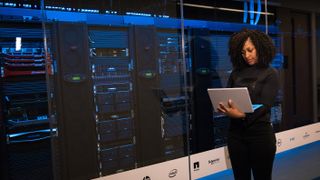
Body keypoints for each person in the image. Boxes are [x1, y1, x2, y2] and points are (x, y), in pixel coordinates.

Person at [217, 28, 280, 180]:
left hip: (261, 136)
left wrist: (242, 114)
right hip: (236, 136)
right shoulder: (235, 73)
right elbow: (228, 96)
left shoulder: (270, 73)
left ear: (260, 47)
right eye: (243, 52)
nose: (247, 55)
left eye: (250, 50)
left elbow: (266, 104)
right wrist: (225, 108)